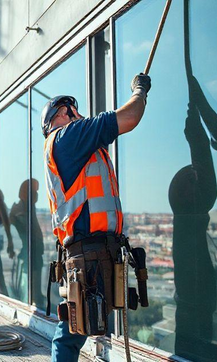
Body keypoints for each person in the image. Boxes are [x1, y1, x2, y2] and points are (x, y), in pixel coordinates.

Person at [41, 73, 151, 361]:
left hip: (93, 252)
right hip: (88, 255)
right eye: (76, 111)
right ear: (66, 112)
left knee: (78, 327)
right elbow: (130, 117)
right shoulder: (68, 137)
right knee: (71, 332)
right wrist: (139, 91)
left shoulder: (70, 146)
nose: (81, 116)